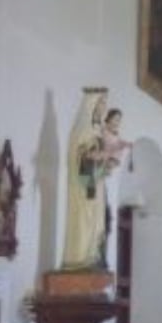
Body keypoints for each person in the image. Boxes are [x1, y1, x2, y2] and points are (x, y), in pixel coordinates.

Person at [61, 88, 118, 270]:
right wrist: (95, 155)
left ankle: (91, 257)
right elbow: (79, 156)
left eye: (104, 104)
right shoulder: (82, 130)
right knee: (83, 221)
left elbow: (98, 156)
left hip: (96, 183)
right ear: (91, 105)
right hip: (84, 185)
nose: (103, 108)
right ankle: (78, 259)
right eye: (100, 103)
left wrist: (107, 164)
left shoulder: (98, 131)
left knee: (96, 222)